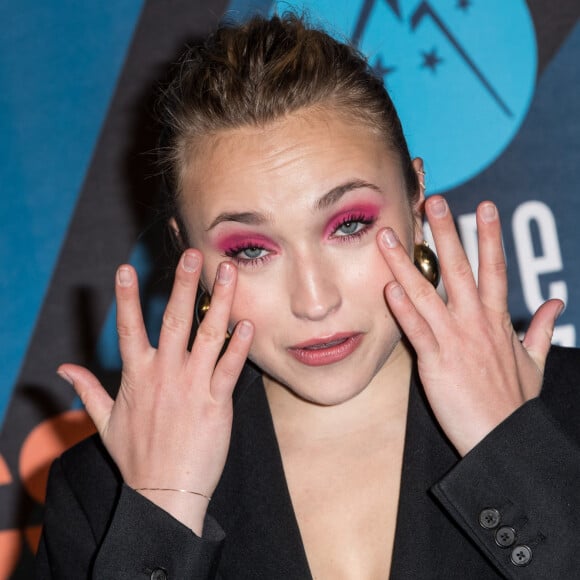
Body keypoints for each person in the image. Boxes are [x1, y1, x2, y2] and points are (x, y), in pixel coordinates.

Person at [36, 12, 580, 580]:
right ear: (186, 252)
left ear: (417, 197)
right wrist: (162, 517)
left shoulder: (564, 411)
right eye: (251, 250)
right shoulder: (109, 494)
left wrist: (515, 458)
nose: (314, 302)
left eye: (348, 226)